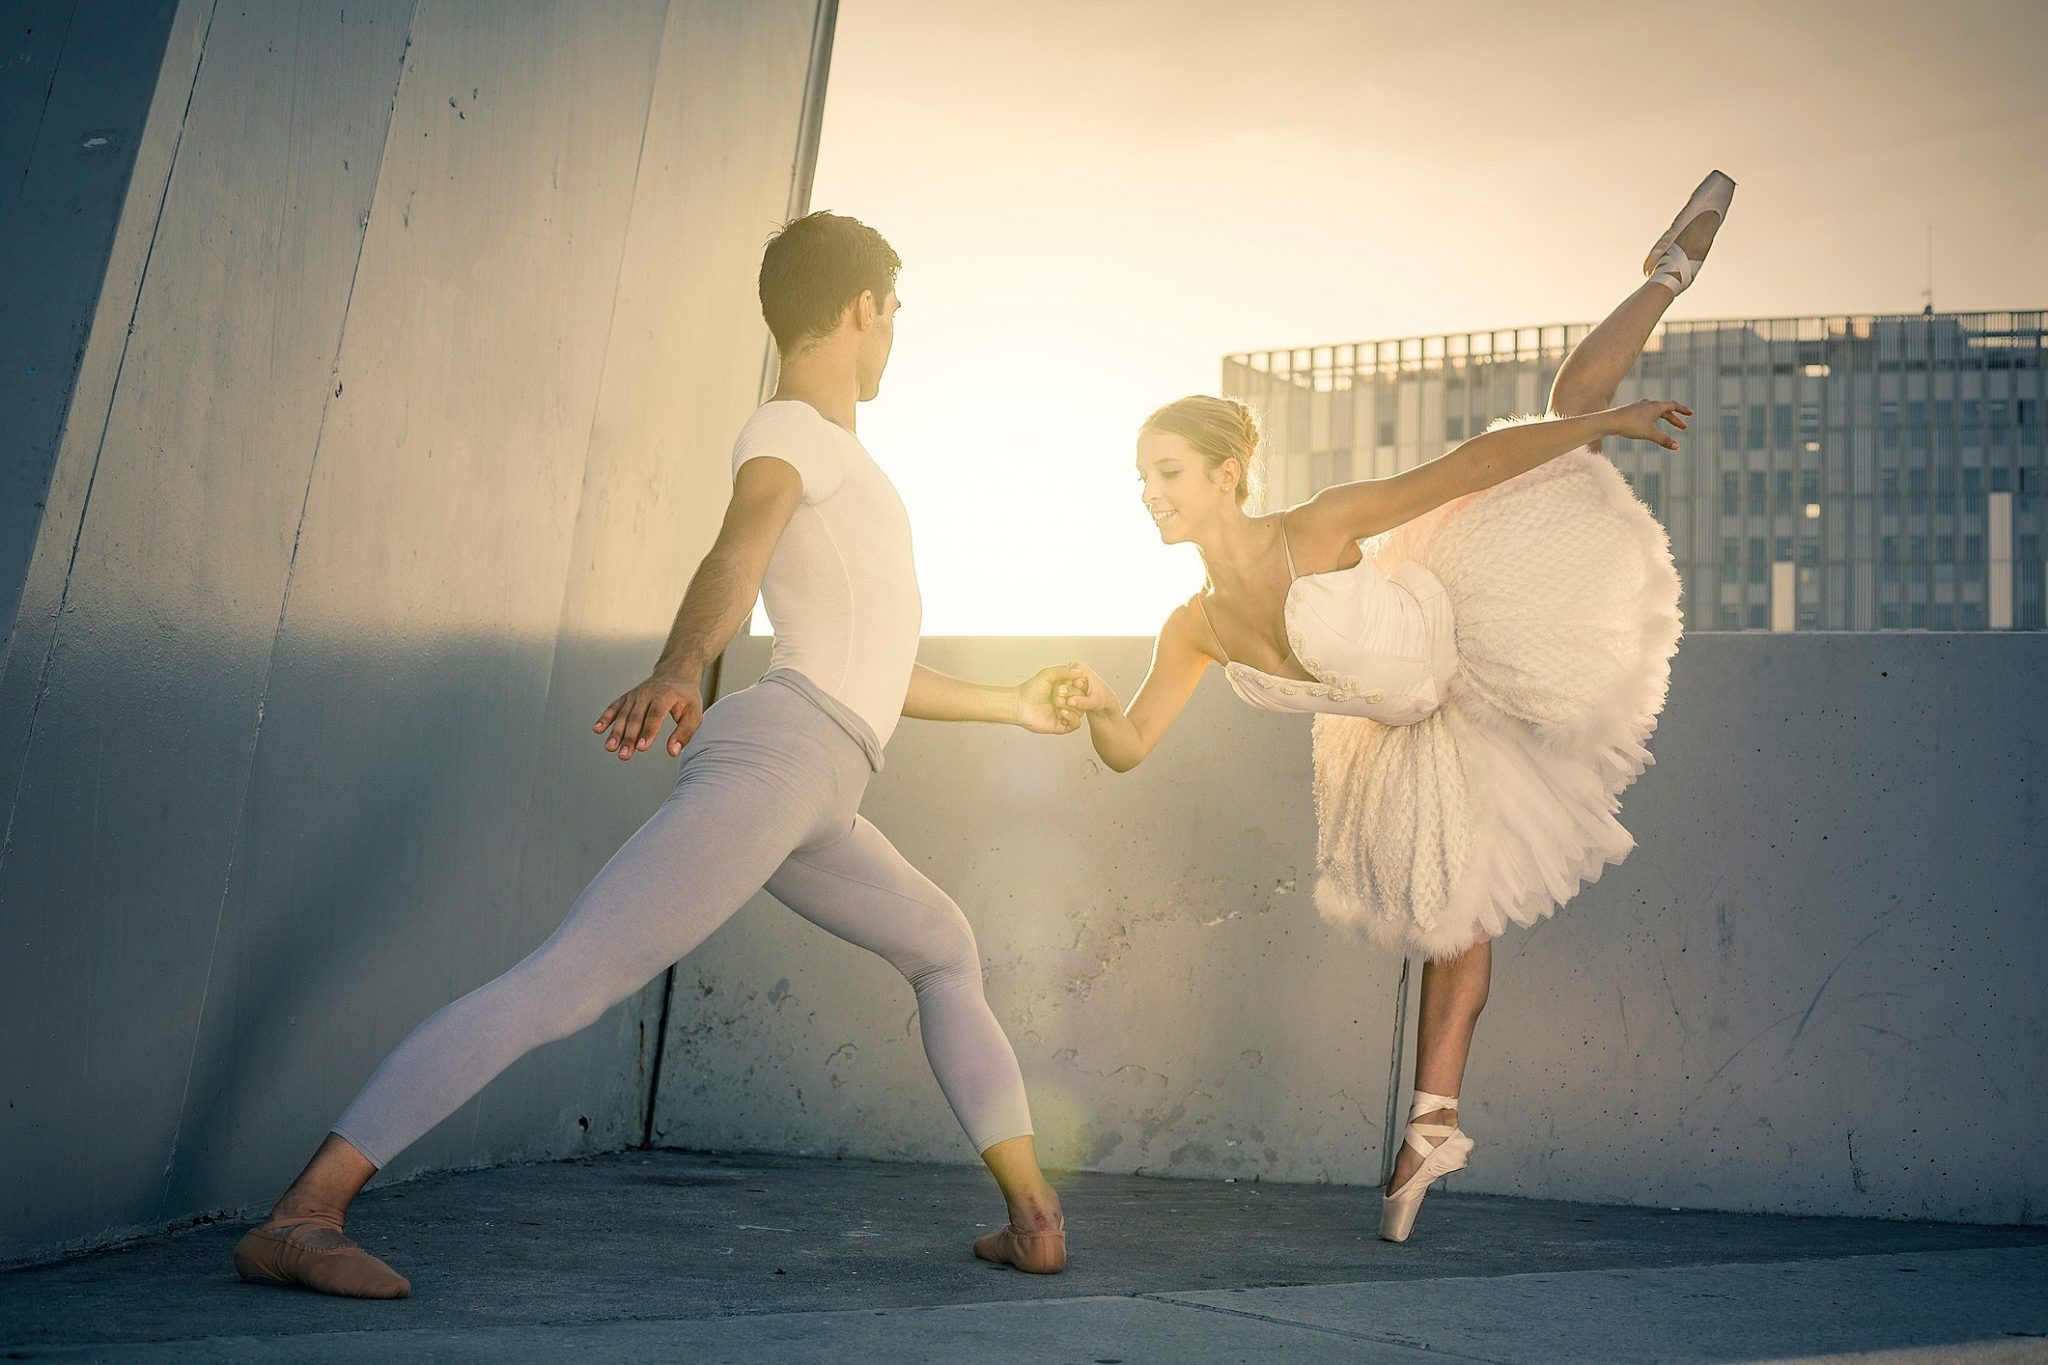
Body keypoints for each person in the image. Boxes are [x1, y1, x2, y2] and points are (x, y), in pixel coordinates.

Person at [232, 212, 1078, 1298]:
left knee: (944, 949)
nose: (894, 334)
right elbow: (736, 546)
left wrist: (1012, 706)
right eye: (894, 312)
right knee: (574, 979)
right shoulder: (788, 432)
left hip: (823, 775)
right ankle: (302, 1219)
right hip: (779, 757)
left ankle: (1033, 1218)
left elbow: (875, 667)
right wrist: (681, 668)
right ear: (862, 308)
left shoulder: (842, 462)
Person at [1060, 172, 1734, 1243]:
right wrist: (1096, 700)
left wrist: (1612, 420)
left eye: (1168, 473)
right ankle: (1430, 1129)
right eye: (1141, 477)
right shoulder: (1187, 626)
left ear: (1228, 475)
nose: (1149, 492)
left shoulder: (1318, 528)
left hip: (1463, 612)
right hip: (1399, 722)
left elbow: (1466, 463)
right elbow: (1131, 746)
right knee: (1449, 911)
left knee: (1566, 419)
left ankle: (1665, 271)